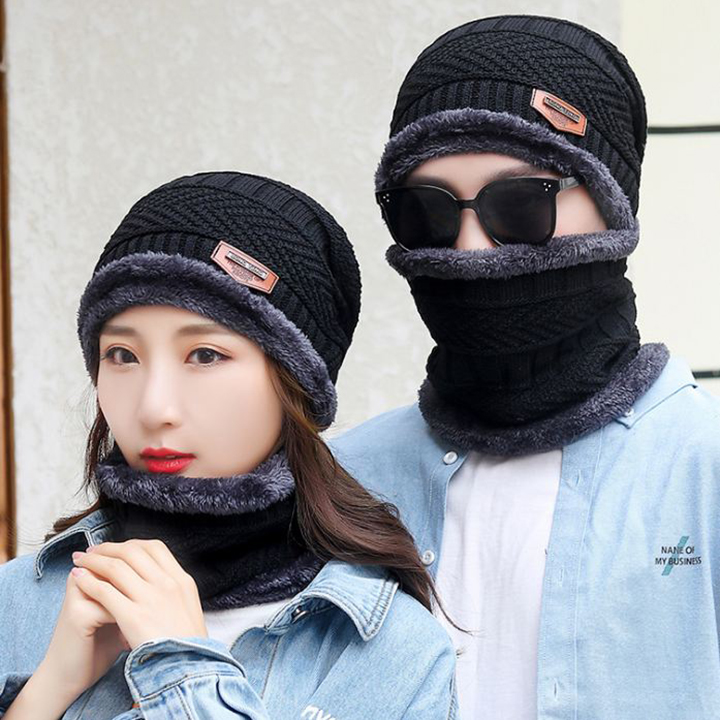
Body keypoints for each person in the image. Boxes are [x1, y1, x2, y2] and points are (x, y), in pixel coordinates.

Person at [330, 14, 720, 720]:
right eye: (426, 212)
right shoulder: (340, 482)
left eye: (520, 203)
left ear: (613, 206)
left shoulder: (704, 468)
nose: (471, 248)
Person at [0, 171, 458, 719]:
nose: (154, 408)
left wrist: (181, 667)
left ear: (295, 382)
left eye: (204, 355)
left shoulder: (389, 651)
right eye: (122, 355)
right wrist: (49, 688)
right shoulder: (18, 601)